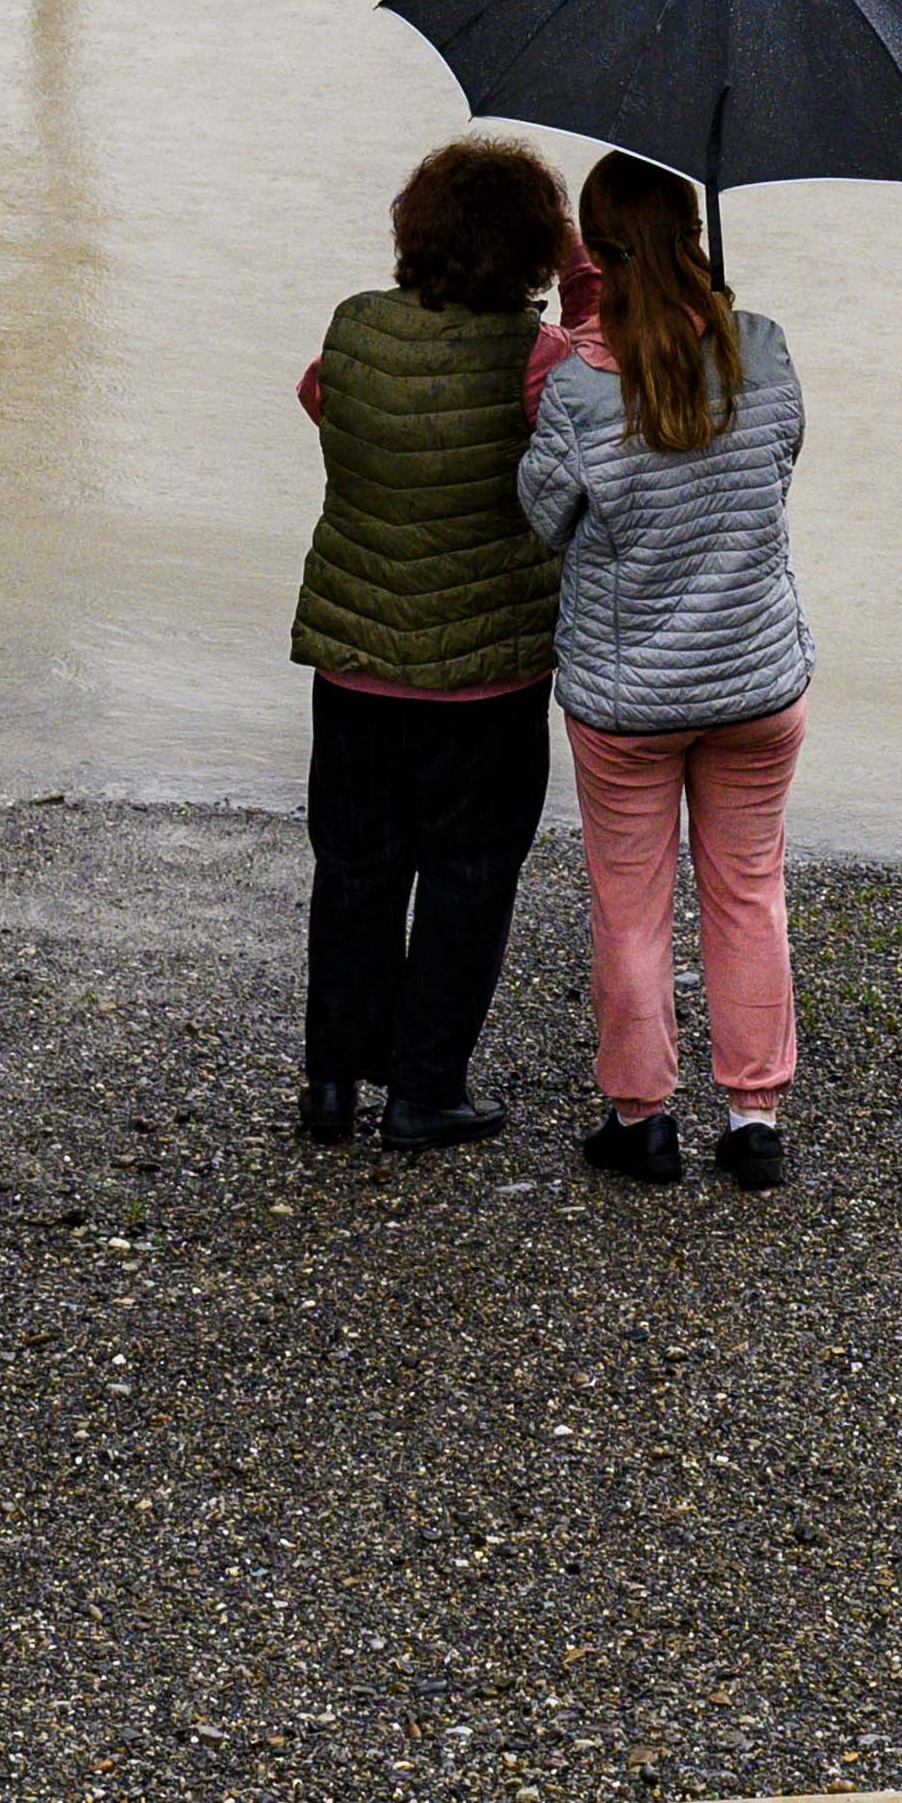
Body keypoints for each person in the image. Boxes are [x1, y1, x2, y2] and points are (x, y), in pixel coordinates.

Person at [284, 137, 581, 1152]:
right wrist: (579, 278)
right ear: (535, 252)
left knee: (356, 867)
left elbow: (317, 395)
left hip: (355, 661)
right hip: (488, 679)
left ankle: (332, 1084)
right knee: (468, 874)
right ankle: (424, 1089)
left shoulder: (355, 328)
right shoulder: (537, 361)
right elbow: (583, 442)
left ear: (414, 230)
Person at [522, 151, 810, 1192]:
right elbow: (778, 467)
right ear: (693, 235)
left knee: (631, 903)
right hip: (756, 678)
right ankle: (753, 1119)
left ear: (595, 254)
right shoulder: (764, 349)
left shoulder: (578, 387)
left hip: (627, 696)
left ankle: (643, 1119)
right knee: (747, 891)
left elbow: (545, 516)